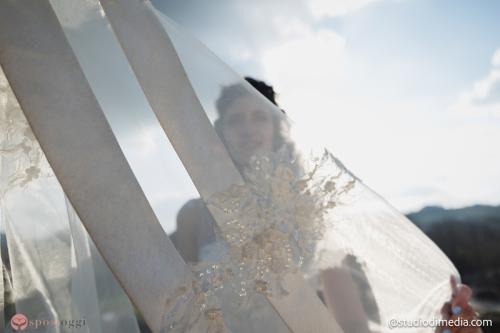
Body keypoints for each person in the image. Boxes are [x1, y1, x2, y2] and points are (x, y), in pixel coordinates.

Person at [171, 77, 482, 333]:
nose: (247, 129)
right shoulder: (192, 216)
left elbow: (350, 321)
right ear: (221, 133)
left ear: (276, 129)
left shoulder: (309, 211)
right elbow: (181, 311)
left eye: (259, 117)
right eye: (235, 120)